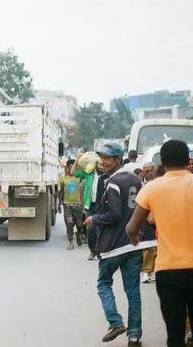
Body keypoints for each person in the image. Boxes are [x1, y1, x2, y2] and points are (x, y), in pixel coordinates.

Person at [84, 142, 156, 346]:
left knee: (103, 283)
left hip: (114, 245)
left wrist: (94, 219)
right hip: (133, 244)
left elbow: (113, 214)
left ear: (118, 159)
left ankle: (115, 322)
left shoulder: (113, 182)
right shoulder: (136, 179)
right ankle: (134, 335)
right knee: (132, 291)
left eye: (108, 158)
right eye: (102, 158)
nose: (103, 162)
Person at [126, 140, 193, 347]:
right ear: (187, 160)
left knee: (174, 333)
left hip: (169, 270)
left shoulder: (152, 188)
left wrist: (134, 237)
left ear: (162, 163)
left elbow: (131, 228)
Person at [59, 159, 84, 250]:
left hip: (78, 205)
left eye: (73, 167)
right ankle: (70, 242)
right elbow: (61, 192)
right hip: (67, 205)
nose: (70, 169)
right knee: (69, 223)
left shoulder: (79, 177)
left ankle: (79, 233)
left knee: (79, 224)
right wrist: (59, 204)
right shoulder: (63, 178)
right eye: (69, 167)